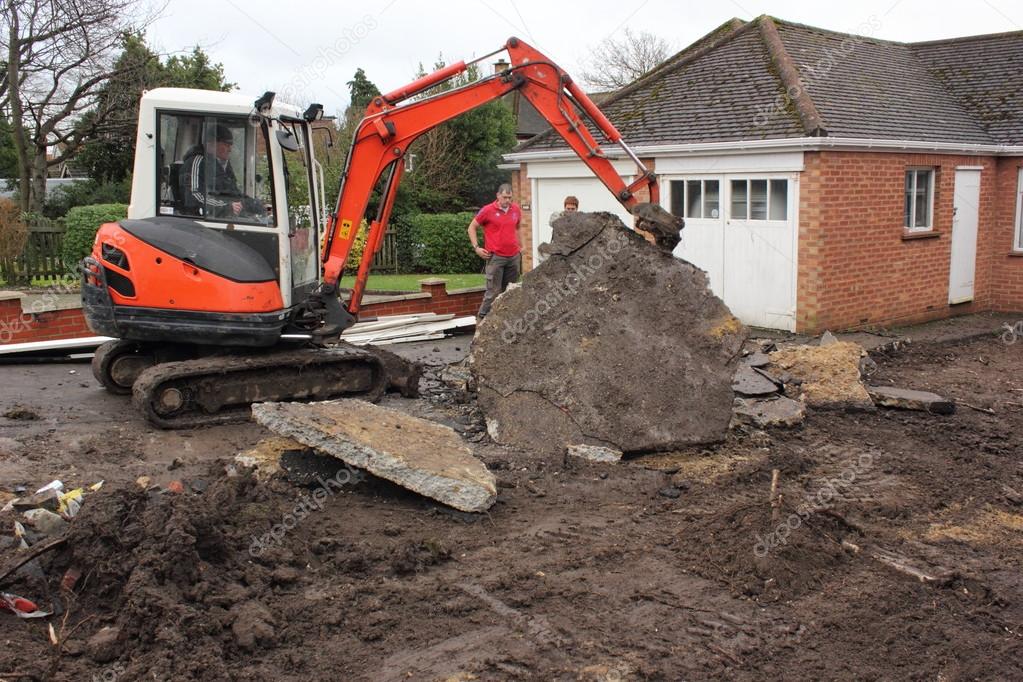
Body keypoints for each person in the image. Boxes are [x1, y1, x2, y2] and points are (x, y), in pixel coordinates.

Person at [180, 124, 264, 221]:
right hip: (201, 222)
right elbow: (193, 196)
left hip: (223, 218)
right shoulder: (196, 162)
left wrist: (254, 205)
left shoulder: (222, 165)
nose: (230, 149)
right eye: (226, 145)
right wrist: (226, 207)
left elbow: (234, 194)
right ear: (211, 143)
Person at [468, 183, 522, 319]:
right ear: (498, 196)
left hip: (513, 257)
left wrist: (520, 247)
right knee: (493, 292)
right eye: (504, 197)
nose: (507, 201)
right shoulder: (487, 210)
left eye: (510, 198)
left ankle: (505, 321)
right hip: (495, 257)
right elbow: (471, 228)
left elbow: (518, 227)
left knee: (511, 291)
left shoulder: (515, 209)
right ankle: (481, 320)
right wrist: (476, 248)